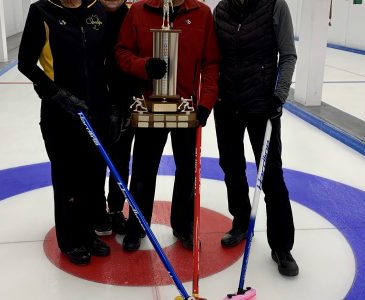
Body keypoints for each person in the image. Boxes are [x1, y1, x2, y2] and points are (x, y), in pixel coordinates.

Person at [18, 0, 119, 265]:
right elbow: (25, 63)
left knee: (93, 178)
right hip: (60, 113)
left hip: (95, 110)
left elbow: (108, 59)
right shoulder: (41, 11)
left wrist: (112, 106)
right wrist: (56, 94)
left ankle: (88, 235)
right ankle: (70, 240)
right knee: (67, 180)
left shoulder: (97, 10)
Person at [115, 0, 219, 251]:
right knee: (142, 171)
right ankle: (137, 226)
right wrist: (145, 66)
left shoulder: (202, 14)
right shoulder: (139, 11)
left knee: (187, 171)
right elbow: (122, 53)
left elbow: (212, 63)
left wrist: (205, 103)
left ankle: (183, 226)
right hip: (150, 108)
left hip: (187, 109)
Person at [213, 0, 299, 276]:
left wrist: (279, 94)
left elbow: (287, 55)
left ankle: (282, 245)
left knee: (271, 174)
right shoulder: (221, 10)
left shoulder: (275, 6)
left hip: (262, 105)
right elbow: (215, 57)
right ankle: (240, 221)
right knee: (232, 167)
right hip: (227, 104)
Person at [94, 0, 136, 237]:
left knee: (120, 159)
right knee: (95, 160)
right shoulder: (88, 14)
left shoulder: (133, 16)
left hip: (124, 102)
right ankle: (96, 209)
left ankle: (116, 209)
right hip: (94, 102)